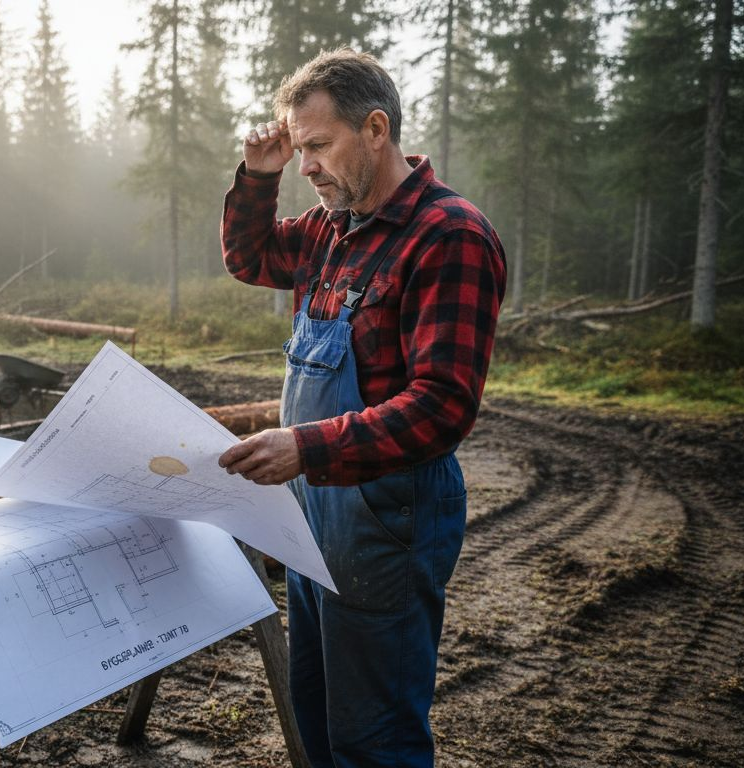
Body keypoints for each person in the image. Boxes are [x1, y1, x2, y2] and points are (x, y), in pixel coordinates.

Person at [216, 48, 506, 768]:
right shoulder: (329, 228)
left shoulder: (449, 236)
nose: (306, 166)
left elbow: (442, 407)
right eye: (299, 149)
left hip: (389, 519)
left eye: (318, 146)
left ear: (376, 129)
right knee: (318, 715)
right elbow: (248, 257)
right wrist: (259, 174)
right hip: (315, 514)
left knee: (374, 740)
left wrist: (304, 447)